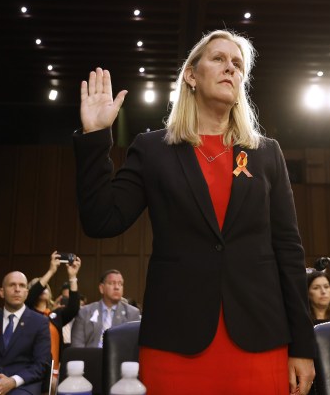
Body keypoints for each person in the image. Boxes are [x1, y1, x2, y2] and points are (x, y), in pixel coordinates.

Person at [73, 29, 316, 394]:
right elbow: (101, 219)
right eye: (218, 59)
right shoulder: (154, 149)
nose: (230, 69)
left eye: (238, 64)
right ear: (191, 75)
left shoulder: (266, 153)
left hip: (260, 338)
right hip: (176, 340)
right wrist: (95, 138)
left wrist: (302, 345)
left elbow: (289, 251)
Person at [0, 271, 51, 395]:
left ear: (26, 293)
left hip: (22, 386)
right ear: (1, 292)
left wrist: (13, 381)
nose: (17, 289)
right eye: (12, 285)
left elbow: (40, 365)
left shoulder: (40, 323)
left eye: (22, 286)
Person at [25, 251, 81, 379]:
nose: (43, 288)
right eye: (39, 286)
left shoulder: (56, 315)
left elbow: (73, 308)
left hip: (54, 372)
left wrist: (72, 276)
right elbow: (31, 296)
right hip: (30, 370)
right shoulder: (26, 313)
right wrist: (51, 271)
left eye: (46, 286)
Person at [70, 269, 140, 348]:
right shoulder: (85, 312)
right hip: (89, 358)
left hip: (120, 358)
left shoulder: (132, 313)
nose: (117, 287)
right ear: (101, 288)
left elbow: (134, 346)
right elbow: (77, 345)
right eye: (112, 283)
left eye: (120, 284)